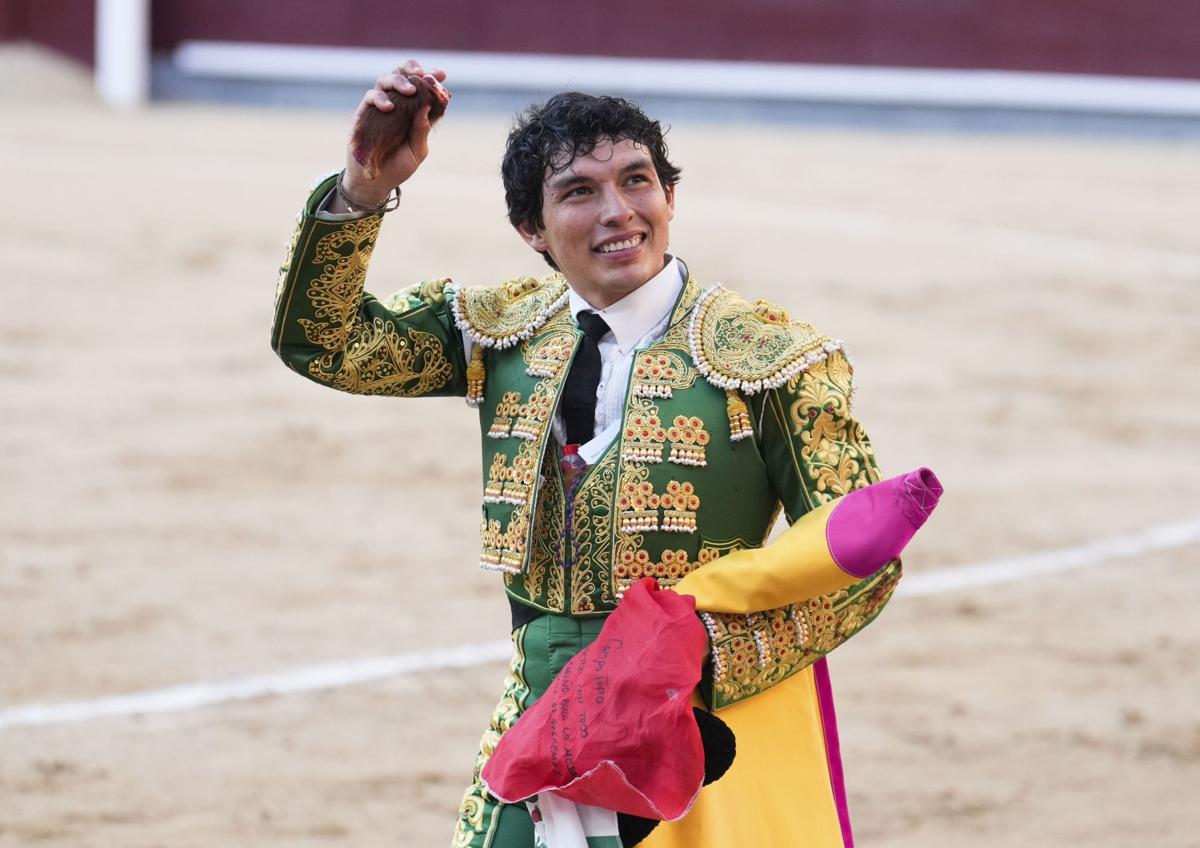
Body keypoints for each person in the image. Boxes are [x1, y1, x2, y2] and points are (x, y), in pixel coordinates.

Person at [271, 59, 928, 848]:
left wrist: (704, 664)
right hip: (541, 707)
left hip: (696, 723)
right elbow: (326, 343)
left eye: (638, 180)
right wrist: (363, 188)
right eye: (580, 191)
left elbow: (858, 562)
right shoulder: (501, 331)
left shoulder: (771, 355)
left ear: (670, 196)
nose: (619, 212)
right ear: (532, 230)